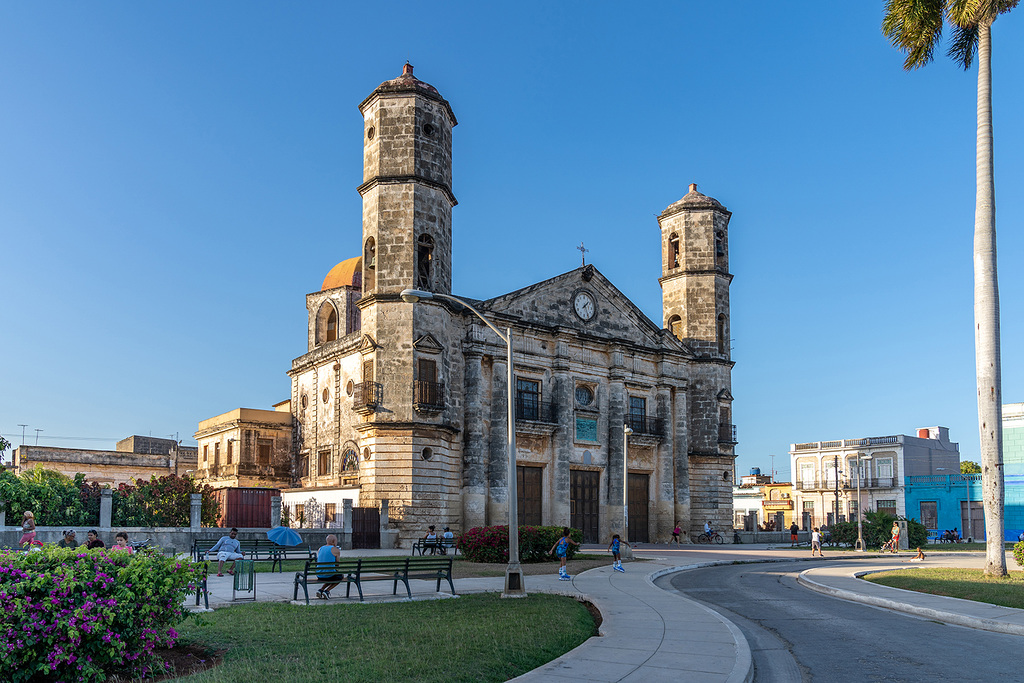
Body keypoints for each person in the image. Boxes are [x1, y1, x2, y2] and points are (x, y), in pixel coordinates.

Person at [315, 534, 344, 599]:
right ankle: (327, 591)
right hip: (329, 575)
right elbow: (337, 564)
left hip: (319, 575)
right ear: (334, 541)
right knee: (339, 576)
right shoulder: (336, 550)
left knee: (331, 575)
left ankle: (321, 590)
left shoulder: (320, 548)